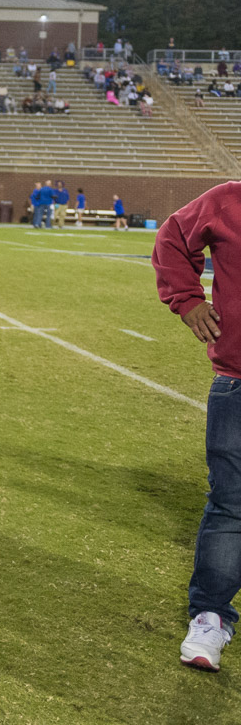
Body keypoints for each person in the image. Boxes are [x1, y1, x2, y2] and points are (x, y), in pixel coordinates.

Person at [151, 181, 241, 672]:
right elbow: (171, 238)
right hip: (239, 380)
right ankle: (211, 617)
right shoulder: (228, 199)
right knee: (231, 506)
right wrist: (188, 300)